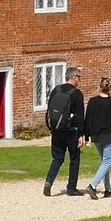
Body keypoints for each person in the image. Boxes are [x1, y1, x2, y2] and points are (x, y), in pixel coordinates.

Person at [43, 66, 88, 195]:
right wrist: (81, 134)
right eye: (79, 77)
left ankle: (49, 181)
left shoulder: (56, 90)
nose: (80, 80)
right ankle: (71, 188)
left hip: (56, 130)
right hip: (72, 131)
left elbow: (50, 111)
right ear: (74, 77)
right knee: (74, 159)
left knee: (57, 158)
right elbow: (80, 116)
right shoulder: (77, 94)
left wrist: (51, 128)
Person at [84, 75, 111, 198]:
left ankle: (108, 189)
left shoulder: (92, 101)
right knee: (107, 161)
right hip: (109, 135)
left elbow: (87, 120)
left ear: (99, 87)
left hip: (96, 136)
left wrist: (87, 137)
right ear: (109, 88)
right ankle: (93, 185)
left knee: (104, 162)